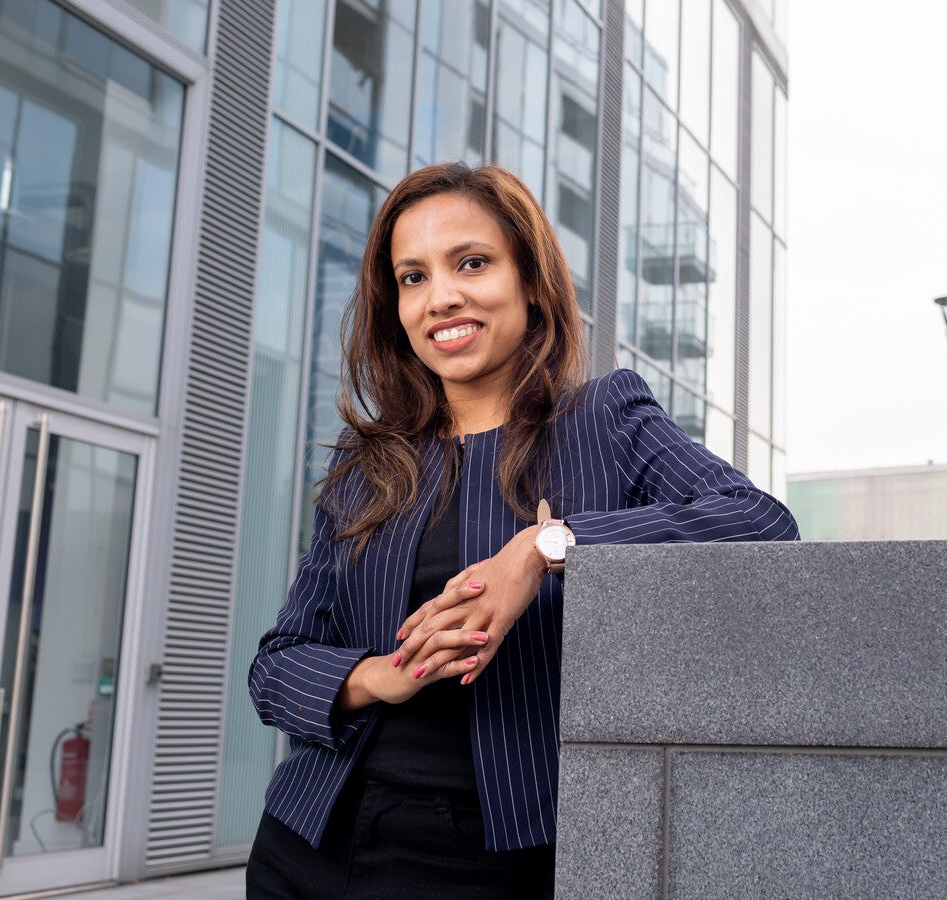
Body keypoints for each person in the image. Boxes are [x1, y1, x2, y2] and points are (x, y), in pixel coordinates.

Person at [245, 162, 798, 898]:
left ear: (530, 280)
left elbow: (761, 522)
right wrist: (383, 674)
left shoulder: (605, 421)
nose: (442, 296)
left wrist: (544, 549)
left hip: (497, 851)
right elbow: (276, 665)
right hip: (312, 838)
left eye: (471, 262)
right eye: (413, 277)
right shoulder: (366, 466)